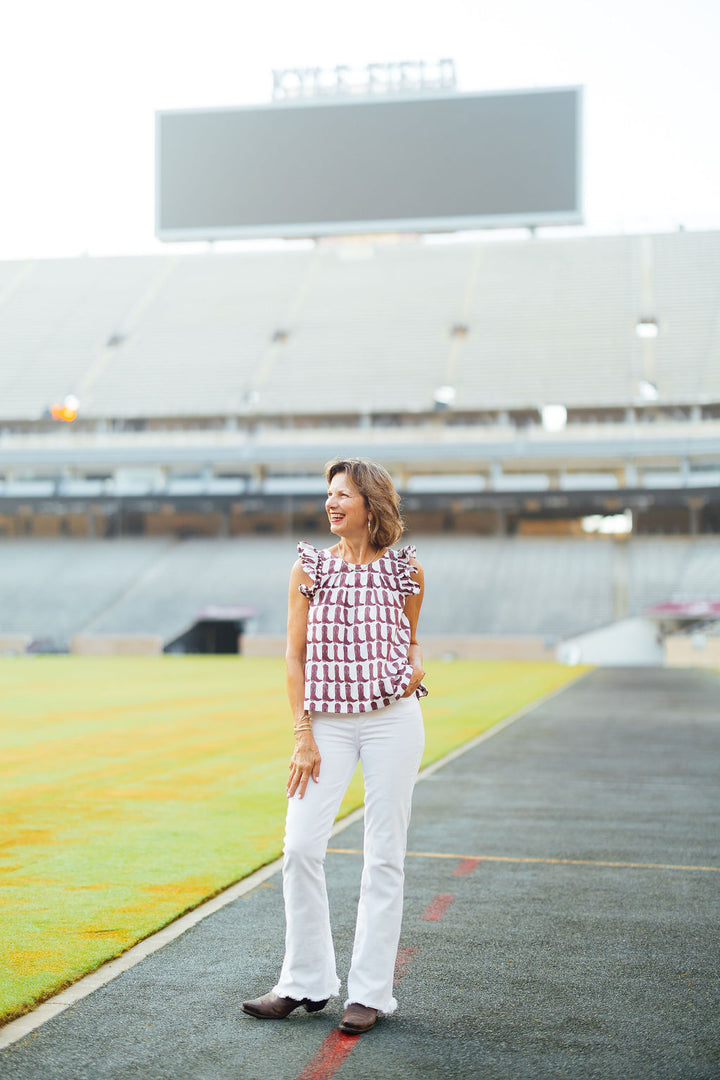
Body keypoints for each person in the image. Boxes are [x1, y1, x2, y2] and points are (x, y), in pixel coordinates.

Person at [243, 457, 427, 1035]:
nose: (331, 502)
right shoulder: (307, 571)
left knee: (384, 855)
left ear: (371, 503)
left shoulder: (407, 571)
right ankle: (305, 982)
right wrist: (302, 734)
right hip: (325, 723)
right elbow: (294, 658)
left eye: (343, 494)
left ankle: (369, 994)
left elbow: (414, 642)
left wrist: (413, 668)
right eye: (328, 494)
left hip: (393, 721)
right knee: (299, 846)